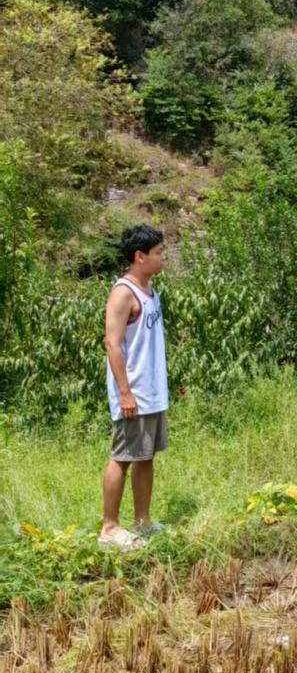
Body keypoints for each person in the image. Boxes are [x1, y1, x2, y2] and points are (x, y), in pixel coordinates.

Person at [100, 225, 168, 550]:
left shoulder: (151, 290)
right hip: (134, 394)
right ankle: (110, 528)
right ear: (139, 257)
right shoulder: (123, 292)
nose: (162, 257)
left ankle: (143, 521)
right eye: (158, 252)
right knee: (122, 457)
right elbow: (112, 345)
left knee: (146, 456)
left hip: (152, 393)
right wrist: (125, 393)